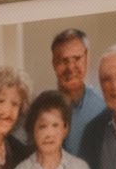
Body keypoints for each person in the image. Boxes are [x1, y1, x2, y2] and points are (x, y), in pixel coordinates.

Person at [45, 28, 106, 156]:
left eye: (77, 58)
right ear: (54, 63)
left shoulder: (103, 107)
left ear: (87, 58)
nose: (71, 67)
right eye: (64, 60)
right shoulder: (42, 109)